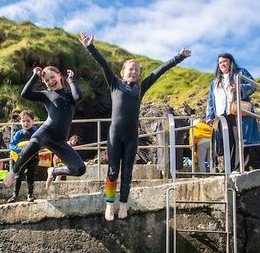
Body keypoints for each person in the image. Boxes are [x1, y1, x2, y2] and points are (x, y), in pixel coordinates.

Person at [79, 32, 191, 220]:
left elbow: (159, 71)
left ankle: (123, 205)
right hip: (115, 134)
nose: (133, 72)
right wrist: (90, 47)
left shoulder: (140, 88)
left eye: (136, 70)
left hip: (131, 135)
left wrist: (178, 57)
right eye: (130, 69)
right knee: (113, 169)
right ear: (122, 72)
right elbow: (103, 64)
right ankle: (109, 204)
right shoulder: (115, 83)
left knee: (128, 170)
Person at [3, 66, 85, 190]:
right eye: (47, 80)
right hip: (46, 132)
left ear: (59, 75)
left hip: (59, 140)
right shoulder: (46, 95)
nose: (50, 81)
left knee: (79, 168)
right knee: (34, 143)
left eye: (52, 77)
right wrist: (35, 76)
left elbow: (79, 97)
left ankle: (54, 171)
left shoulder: (70, 95)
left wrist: (71, 79)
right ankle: (13, 172)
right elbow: (25, 94)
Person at [205, 53, 260, 171]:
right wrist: (210, 117)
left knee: (240, 139)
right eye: (220, 63)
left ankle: (240, 168)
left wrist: (239, 87)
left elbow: (253, 85)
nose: (222, 64)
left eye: (224, 61)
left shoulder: (240, 72)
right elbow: (211, 99)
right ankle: (229, 168)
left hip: (237, 112)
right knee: (227, 141)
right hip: (222, 115)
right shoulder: (215, 81)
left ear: (231, 62)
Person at [8, 110, 39, 203]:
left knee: (31, 176)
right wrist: (21, 150)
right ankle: (14, 195)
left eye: (28, 121)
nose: (26, 123)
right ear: (20, 122)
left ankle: (30, 195)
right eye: (23, 121)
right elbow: (11, 145)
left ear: (33, 121)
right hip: (21, 158)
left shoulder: (36, 131)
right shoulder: (19, 133)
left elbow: (42, 142)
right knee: (19, 175)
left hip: (34, 158)